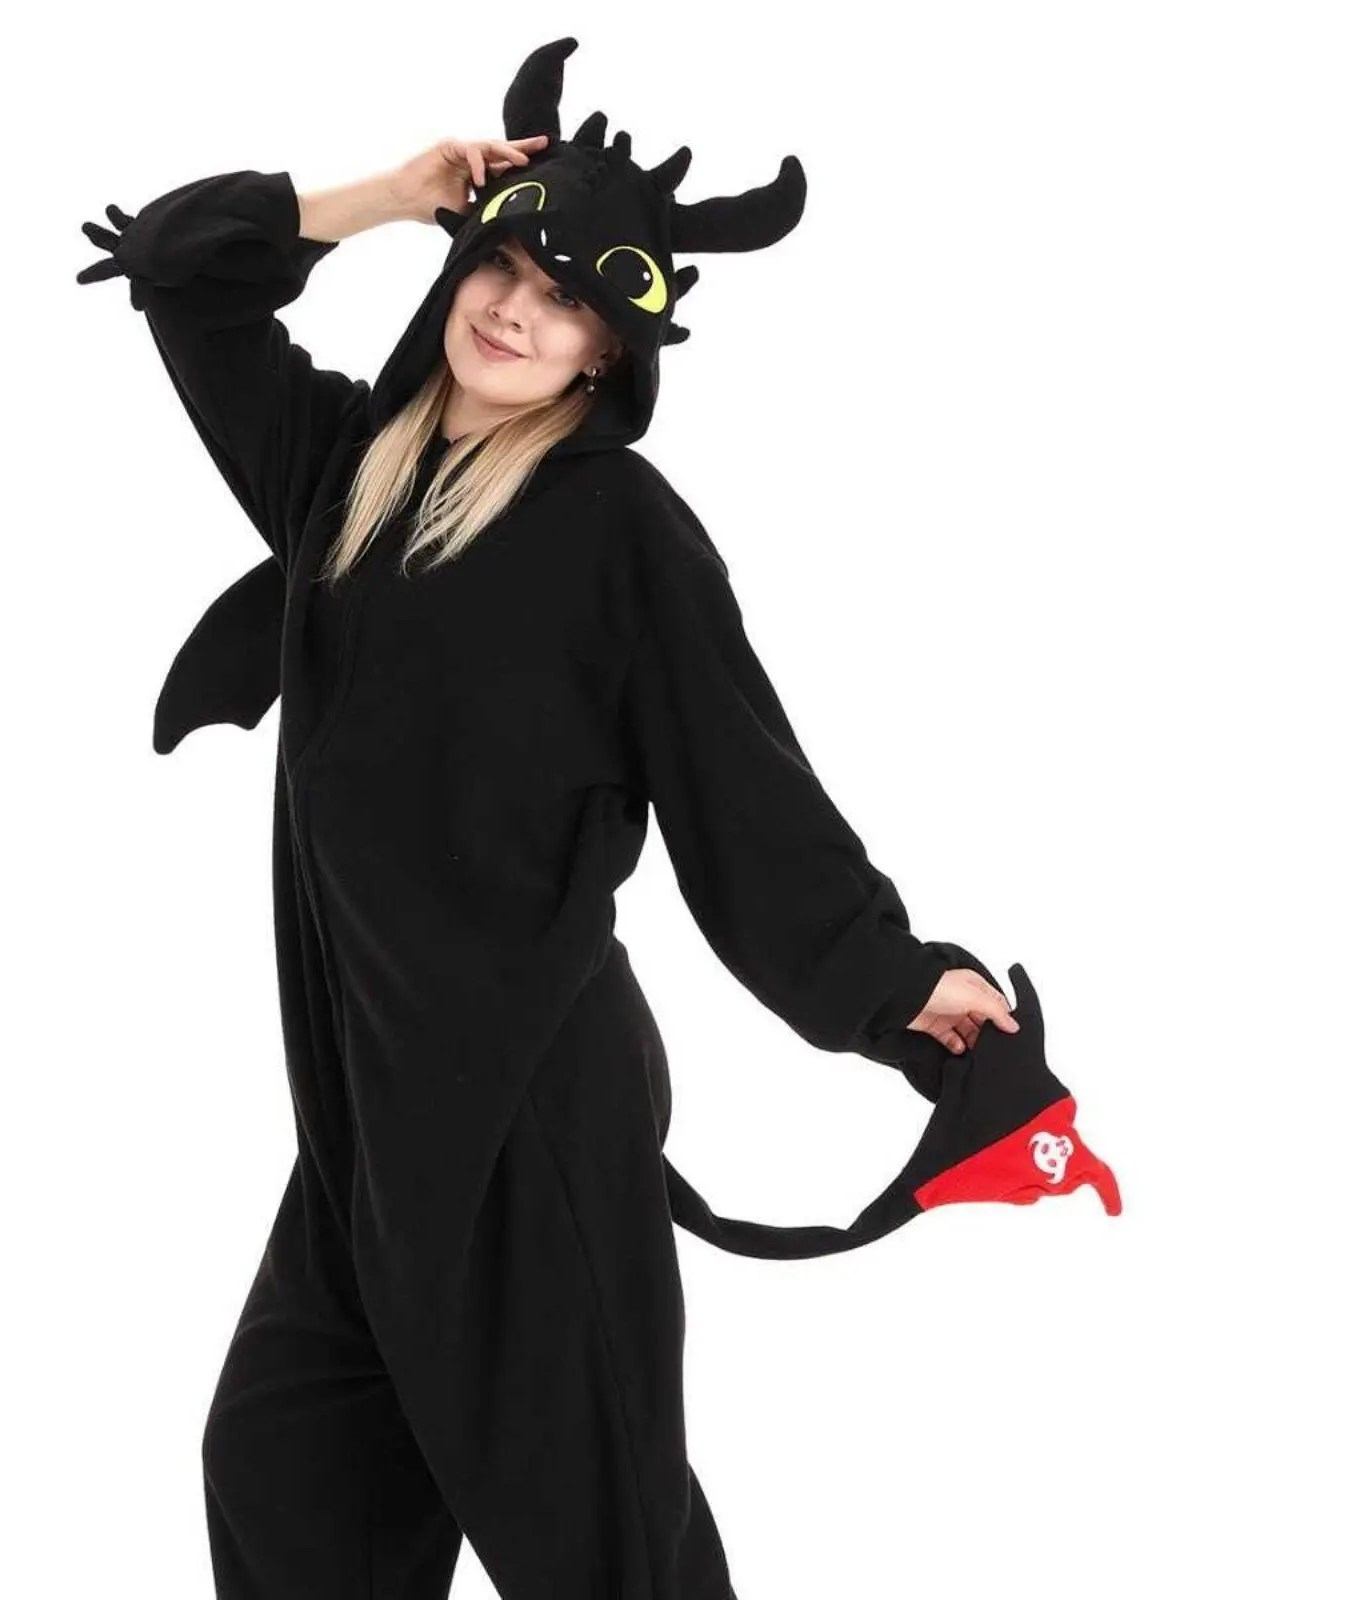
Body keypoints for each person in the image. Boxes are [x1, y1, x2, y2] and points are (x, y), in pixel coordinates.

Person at [76, 36, 1119, 1600]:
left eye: (564, 303)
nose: (517, 310)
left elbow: (739, 788)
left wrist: (896, 984)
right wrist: (395, 193)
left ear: (604, 357)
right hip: (368, 1102)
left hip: (531, 1100)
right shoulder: (347, 473)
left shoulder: (619, 530)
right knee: (289, 1471)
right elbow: (180, 269)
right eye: (504, 268)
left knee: (599, 1539)